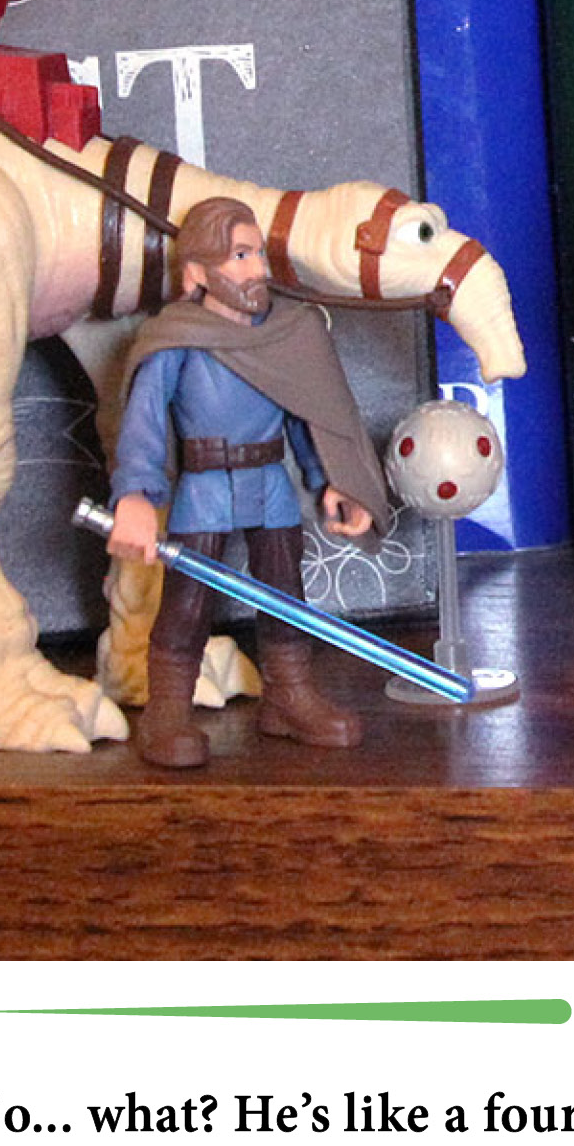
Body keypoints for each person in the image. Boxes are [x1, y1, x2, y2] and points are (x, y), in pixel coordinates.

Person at [107, 195, 392, 768]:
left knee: (286, 595)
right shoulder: (176, 338)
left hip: (270, 481)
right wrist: (134, 495)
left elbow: (307, 412)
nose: (258, 268)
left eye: (258, 253)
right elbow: (143, 421)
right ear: (197, 272)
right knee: (188, 601)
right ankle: (168, 710)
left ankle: (289, 696)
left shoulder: (287, 333)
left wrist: (332, 480)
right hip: (205, 487)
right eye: (240, 256)